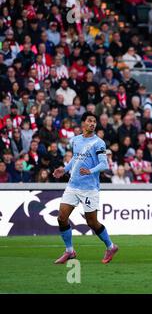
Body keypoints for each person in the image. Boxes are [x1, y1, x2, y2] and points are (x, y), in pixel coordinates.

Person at [52, 112, 118, 264]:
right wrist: (65, 169)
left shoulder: (99, 143)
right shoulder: (76, 140)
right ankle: (70, 251)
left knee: (92, 223)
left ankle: (111, 246)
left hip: (89, 188)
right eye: (90, 121)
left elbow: (104, 164)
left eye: (94, 121)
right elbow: (76, 158)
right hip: (73, 185)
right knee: (62, 217)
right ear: (83, 123)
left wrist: (90, 170)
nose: (92, 123)